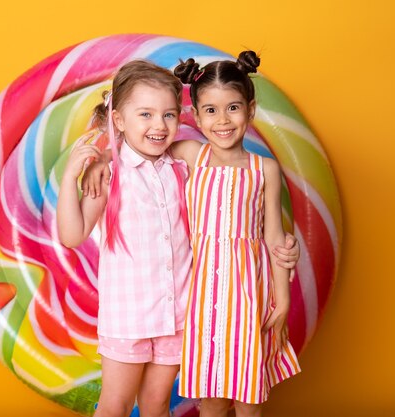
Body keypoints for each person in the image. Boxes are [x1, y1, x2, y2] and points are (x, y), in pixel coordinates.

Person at [57, 59, 192, 417]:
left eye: (168, 115)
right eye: (145, 114)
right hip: (128, 317)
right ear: (119, 120)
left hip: (176, 314)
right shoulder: (109, 175)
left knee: (156, 404)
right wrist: (73, 175)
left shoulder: (183, 169)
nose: (159, 126)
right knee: (115, 405)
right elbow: (72, 235)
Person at [171, 52, 301, 417]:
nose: (222, 120)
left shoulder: (266, 170)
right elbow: (142, 145)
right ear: (195, 116)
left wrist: (284, 301)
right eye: (210, 110)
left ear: (251, 110)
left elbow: (275, 237)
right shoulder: (189, 155)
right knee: (211, 402)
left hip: (249, 298)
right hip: (203, 300)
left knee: (249, 397)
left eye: (233, 108)